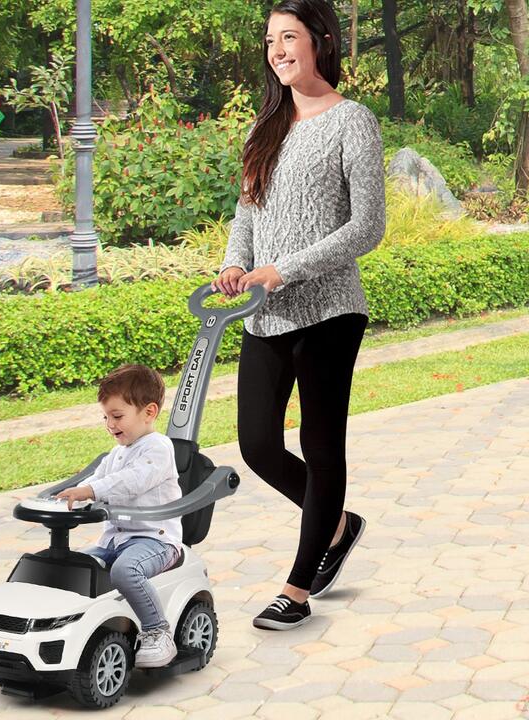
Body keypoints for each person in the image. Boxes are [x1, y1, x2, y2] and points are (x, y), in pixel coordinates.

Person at [211, 0, 386, 630]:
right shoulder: (267, 124)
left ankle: (298, 586)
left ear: (320, 41)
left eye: (289, 37)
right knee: (257, 443)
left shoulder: (353, 122)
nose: (278, 50)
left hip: (330, 312)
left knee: (320, 442)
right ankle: (337, 525)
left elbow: (368, 227)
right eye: (270, 41)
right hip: (263, 312)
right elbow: (247, 212)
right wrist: (237, 264)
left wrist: (285, 269)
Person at [56, 364, 183, 666]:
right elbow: (94, 483)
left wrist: (91, 491)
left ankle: (157, 631)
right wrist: (69, 497)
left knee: (125, 571)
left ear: (149, 412)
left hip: (155, 541)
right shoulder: (116, 454)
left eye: (117, 416)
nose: (109, 424)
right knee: (73, 567)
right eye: (105, 417)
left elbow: (130, 482)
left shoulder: (158, 448)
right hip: (115, 540)